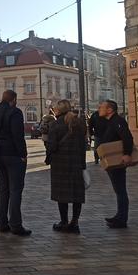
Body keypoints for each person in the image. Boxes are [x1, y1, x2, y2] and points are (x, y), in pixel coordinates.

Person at [0, 90, 31, 236]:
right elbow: (18, 135)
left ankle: (2, 223)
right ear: (13, 99)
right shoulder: (14, 112)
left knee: (3, 189)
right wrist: (23, 154)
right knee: (16, 190)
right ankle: (15, 224)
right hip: (13, 155)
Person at [46, 100, 87, 234]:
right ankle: (74, 223)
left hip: (60, 163)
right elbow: (83, 145)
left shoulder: (55, 124)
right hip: (76, 162)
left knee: (61, 194)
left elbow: (52, 146)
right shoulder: (80, 123)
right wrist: (83, 164)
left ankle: (63, 222)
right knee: (76, 194)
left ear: (58, 110)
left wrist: (48, 155)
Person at [98, 100, 134, 229]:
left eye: (101, 107)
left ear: (110, 110)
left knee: (120, 190)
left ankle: (122, 219)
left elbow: (127, 137)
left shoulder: (117, 121)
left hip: (118, 160)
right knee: (118, 190)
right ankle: (119, 216)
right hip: (113, 161)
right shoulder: (110, 121)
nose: (99, 109)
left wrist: (127, 153)